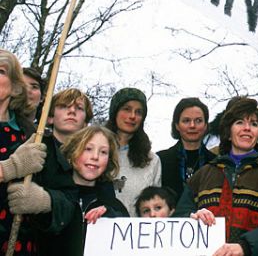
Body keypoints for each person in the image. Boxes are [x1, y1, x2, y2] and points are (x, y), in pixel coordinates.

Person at [176, 97, 258, 256]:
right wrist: (192, 217)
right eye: (239, 122)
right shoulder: (203, 174)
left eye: (254, 124)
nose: (247, 128)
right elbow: (179, 217)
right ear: (228, 132)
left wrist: (246, 246)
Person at [9, 125, 128, 256]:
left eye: (103, 152)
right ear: (72, 154)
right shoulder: (49, 193)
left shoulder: (114, 206)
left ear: (109, 161)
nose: (95, 156)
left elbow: (126, 241)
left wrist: (111, 219)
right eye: (88, 149)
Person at [0, 49, 46, 255]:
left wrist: (44, 200)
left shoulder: (30, 135)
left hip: (17, 241)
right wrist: (11, 168)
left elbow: (61, 189)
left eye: (0, 71)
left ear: (15, 87)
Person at [106, 87, 161, 216]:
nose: (132, 116)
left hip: (137, 233)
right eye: (127, 109)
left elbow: (156, 207)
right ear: (115, 112)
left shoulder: (152, 161)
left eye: (138, 112)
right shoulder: (94, 153)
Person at [157, 97, 215, 202]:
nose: (192, 126)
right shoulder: (160, 160)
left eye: (198, 121)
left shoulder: (216, 163)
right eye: (186, 120)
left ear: (206, 125)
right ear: (177, 125)